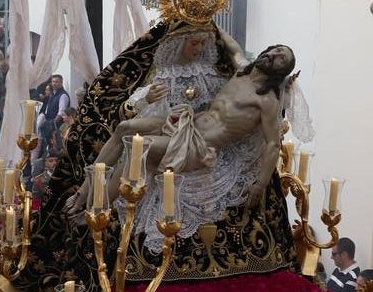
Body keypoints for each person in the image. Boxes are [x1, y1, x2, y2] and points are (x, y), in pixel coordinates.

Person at [66, 40, 295, 246]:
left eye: (281, 57)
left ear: (280, 72)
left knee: (139, 147)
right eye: (275, 49)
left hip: (197, 147)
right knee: (125, 128)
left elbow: (273, 143)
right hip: (186, 123)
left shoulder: (267, 101)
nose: (274, 54)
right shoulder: (241, 72)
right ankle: (85, 191)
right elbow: (233, 47)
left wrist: (260, 183)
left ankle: (98, 207)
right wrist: (207, 21)